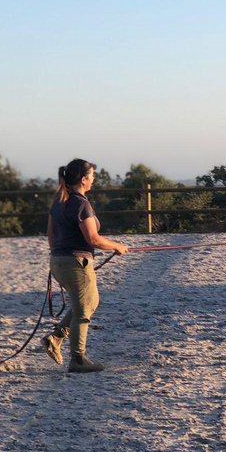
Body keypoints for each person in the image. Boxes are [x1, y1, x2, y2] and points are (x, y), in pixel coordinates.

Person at [42, 159, 128, 372]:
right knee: (83, 311)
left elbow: (50, 235)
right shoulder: (81, 204)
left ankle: (56, 337)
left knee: (91, 302)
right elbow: (94, 239)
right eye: (92, 176)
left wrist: (60, 255)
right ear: (83, 179)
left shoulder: (59, 202)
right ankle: (78, 359)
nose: (93, 180)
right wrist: (117, 246)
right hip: (76, 263)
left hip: (58, 261)